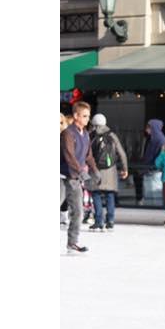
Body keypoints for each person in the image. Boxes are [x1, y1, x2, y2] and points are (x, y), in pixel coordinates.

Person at [61, 101, 99, 255]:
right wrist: (80, 171)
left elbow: (88, 155)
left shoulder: (86, 134)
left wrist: (95, 171)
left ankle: (72, 243)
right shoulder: (68, 133)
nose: (87, 119)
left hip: (75, 179)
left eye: (88, 116)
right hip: (63, 176)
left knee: (78, 211)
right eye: (84, 116)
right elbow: (68, 155)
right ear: (76, 116)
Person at [88, 113, 129, 232]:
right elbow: (122, 153)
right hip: (110, 171)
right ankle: (110, 221)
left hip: (96, 170)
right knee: (110, 195)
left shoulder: (92, 136)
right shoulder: (112, 136)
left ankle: (98, 221)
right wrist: (125, 168)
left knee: (96, 194)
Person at [134, 118, 165, 205]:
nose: (146, 129)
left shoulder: (161, 141)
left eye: (148, 127)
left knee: (155, 195)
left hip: (155, 171)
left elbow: (161, 156)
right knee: (150, 195)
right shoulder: (151, 139)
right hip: (149, 169)